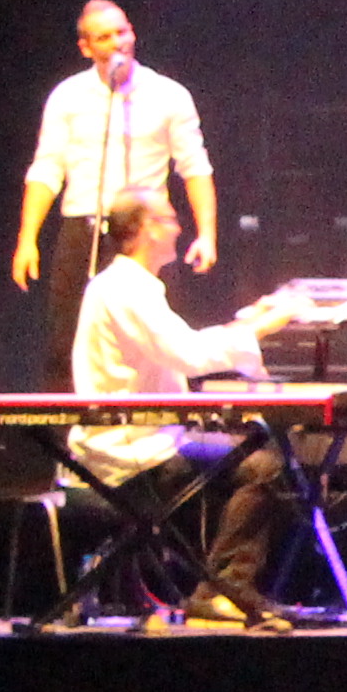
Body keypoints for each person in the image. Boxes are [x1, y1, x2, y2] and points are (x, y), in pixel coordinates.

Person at [68, 194, 301, 623]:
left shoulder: (130, 286)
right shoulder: (124, 290)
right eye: (168, 219)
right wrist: (263, 326)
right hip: (130, 455)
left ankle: (220, 589)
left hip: (149, 441)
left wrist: (247, 325)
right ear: (143, 229)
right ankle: (223, 589)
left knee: (250, 454)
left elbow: (180, 347)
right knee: (261, 468)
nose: (178, 228)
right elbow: (189, 355)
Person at [13, 1, 216, 384]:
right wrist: (28, 239)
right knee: (68, 337)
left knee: (158, 339)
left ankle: (162, 415)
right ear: (86, 47)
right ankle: (68, 420)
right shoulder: (68, 97)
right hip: (85, 227)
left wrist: (206, 234)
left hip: (145, 231)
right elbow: (47, 168)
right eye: (104, 37)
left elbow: (194, 167)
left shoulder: (168, 94)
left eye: (122, 32)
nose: (117, 42)